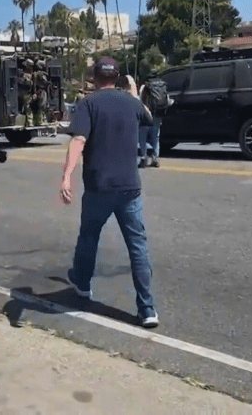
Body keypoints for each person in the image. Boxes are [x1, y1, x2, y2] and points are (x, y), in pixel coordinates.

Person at [60, 57, 158, 328]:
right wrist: (134, 91)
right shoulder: (132, 103)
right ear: (117, 77)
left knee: (89, 236)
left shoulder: (88, 104)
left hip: (98, 186)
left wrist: (67, 176)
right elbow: (148, 117)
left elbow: (78, 140)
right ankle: (147, 308)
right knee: (137, 246)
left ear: (94, 77)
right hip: (129, 188)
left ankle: (82, 283)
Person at [138, 75, 174, 168]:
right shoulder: (162, 86)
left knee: (143, 137)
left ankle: (144, 157)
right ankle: (155, 158)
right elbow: (167, 100)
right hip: (158, 113)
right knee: (155, 136)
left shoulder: (145, 86)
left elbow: (140, 101)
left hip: (147, 113)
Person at [18, 59, 36, 127]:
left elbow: (31, 84)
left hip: (26, 93)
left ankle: (30, 122)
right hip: (22, 93)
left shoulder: (30, 75)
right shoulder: (24, 73)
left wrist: (26, 80)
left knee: (28, 108)